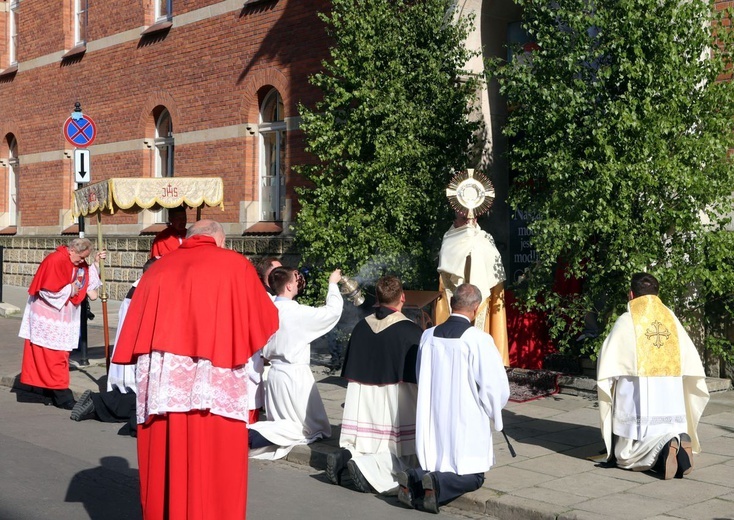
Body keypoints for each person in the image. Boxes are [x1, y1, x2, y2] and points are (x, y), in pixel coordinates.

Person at [112, 220, 279, 520]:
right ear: (217, 239)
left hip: (165, 389)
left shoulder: (158, 269)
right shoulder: (235, 265)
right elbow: (265, 322)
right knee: (216, 464)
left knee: (168, 460)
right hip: (215, 385)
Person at [398, 283, 509, 514]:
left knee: (437, 461)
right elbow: (493, 386)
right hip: (465, 418)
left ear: (451, 304)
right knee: (474, 475)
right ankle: (436, 485)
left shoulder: (428, 336)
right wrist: (494, 411)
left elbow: (421, 374)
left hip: (434, 416)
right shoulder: (479, 340)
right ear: (476, 308)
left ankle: (415, 478)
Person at [596, 273, 709, 480]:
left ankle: (665, 446)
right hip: (670, 391)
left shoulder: (627, 320)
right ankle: (679, 446)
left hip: (637, 391)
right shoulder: (672, 319)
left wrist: (608, 383)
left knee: (625, 456)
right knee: (665, 425)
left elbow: (608, 362)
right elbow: (690, 360)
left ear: (631, 294)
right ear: (658, 293)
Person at [326, 275, 422, 494]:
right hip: (395, 401)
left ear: (377, 299)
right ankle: (364, 467)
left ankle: (346, 457)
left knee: (365, 446)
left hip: (364, 402)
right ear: (403, 298)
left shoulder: (361, 327)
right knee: (404, 459)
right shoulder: (411, 331)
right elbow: (420, 376)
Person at [248, 266, 343, 460]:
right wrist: (333, 284)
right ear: (290, 286)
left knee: (296, 423)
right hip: (294, 376)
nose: (299, 282)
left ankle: (249, 434)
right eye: (295, 279)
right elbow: (331, 313)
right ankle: (248, 435)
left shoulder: (268, 307)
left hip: (274, 375)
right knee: (303, 428)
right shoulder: (296, 312)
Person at [70, 257, 158, 436]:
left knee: (140, 397)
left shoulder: (140, 286)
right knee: (140, 398)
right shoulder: (145, 289)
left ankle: (98, 402)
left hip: (132, 348)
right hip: (137, 349)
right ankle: (98, 402)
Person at [18, 238, 103, 410]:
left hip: (64, 315)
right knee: (54, 357)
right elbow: (47, 290)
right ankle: (62, 396)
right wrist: (71, 289)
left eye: (85, 258)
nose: (81, 261)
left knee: (58, 355)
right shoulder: (55, 260)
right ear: (72, 250)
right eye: (80, 257)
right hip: (48, 314)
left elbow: (86, 283)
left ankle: (49, 393)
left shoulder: (76, 261)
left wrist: (95, 264)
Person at [436, 212, 509, 365]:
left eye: (472, 219)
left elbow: (493, 267)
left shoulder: (484, 238)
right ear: (455, 220)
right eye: (463, 219)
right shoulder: (449, 238)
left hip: (482, 301)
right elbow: (446, 267)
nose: (469, 223)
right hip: (455, 298)